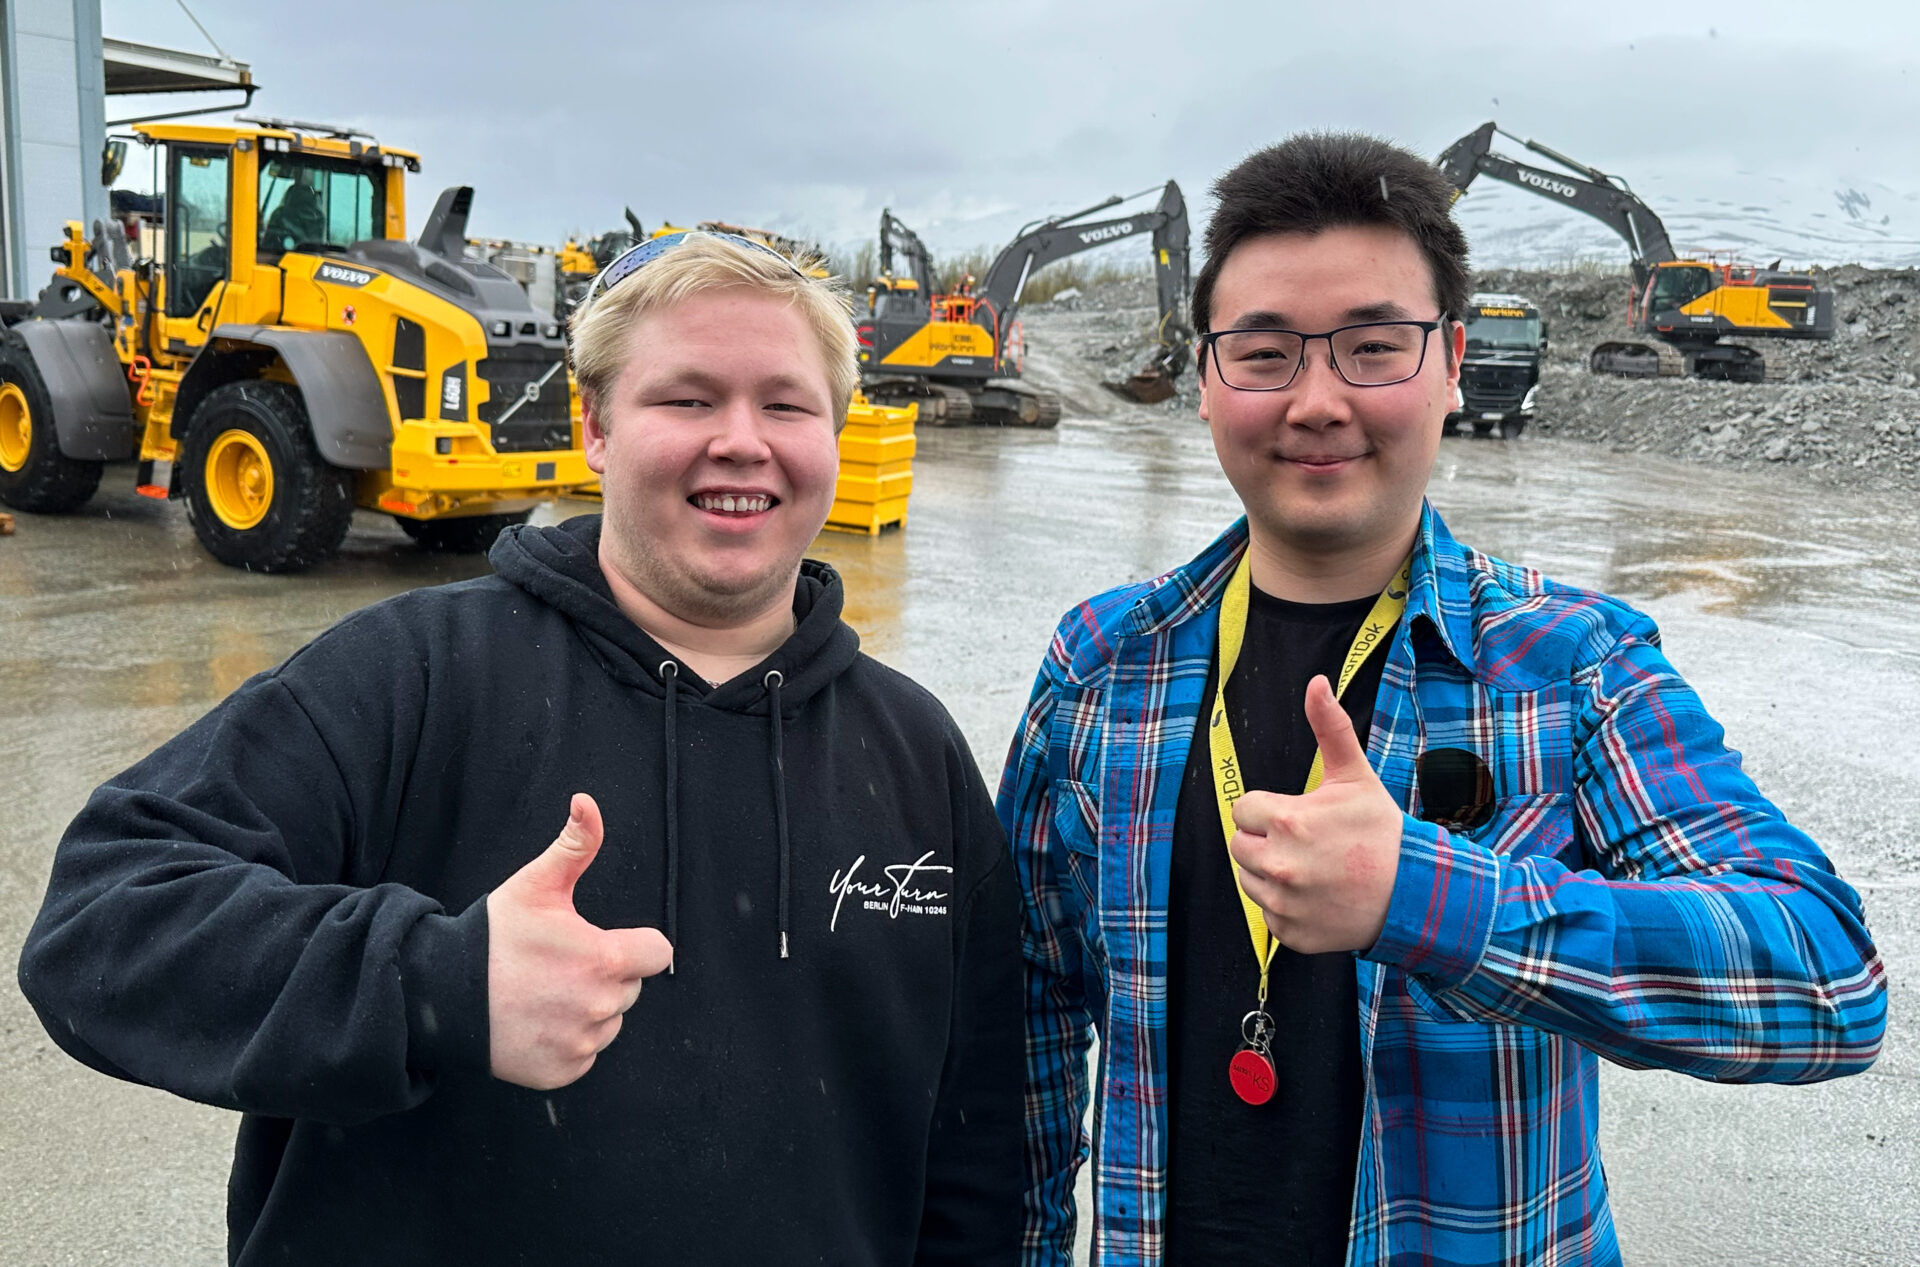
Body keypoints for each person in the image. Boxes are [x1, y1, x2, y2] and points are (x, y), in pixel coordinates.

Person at [18, 231, 1024, 1265]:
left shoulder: (917, 756)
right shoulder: (409, 675)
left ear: (836, 430)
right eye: (685, 399)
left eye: (785, 403)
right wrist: (436, 986)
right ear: (594, 425)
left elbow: (979, 1162)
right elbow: (102, 920)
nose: (740, 440)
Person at [998, 133, 1886, 1267]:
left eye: (1374, 347)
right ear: (1204, 376)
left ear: (1455, 359)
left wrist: (1435, 898)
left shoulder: (1571, 666)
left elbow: (1824, 977)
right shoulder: (1097, 671)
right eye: (1263, 354)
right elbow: (1020, 1030)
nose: (1316, 402)